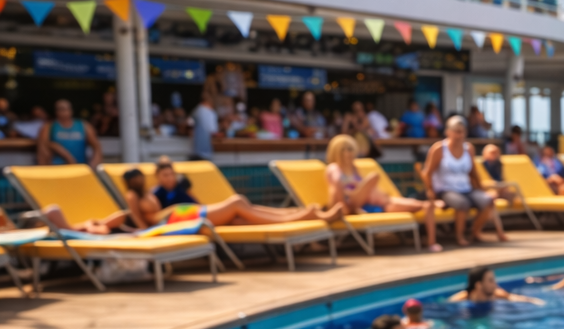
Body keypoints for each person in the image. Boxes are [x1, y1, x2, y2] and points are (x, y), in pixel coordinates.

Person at [131, 156, 340, 228]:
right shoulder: (151, 194)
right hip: (182, 219)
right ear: (157, 176)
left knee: (242, 217)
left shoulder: (178, 188)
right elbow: (145, 219)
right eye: (165, 175)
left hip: (191, 213)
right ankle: (299, 216)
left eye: (172, 174)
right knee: (238, 202)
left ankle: (297, 214)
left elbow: (194, 202)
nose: (170, 178)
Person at [324, 135, 441, 251]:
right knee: (373, 178)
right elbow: (336, 186)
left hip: (377, 204)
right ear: (337, 152)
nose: (349, 153)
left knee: (425, 205)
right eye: (345, 149)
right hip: (352, 205)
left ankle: (431, 240)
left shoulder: (354, 168)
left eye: (351, 149)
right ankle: (432, 236)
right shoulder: (334, 168)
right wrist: (348, 197)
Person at [424, 115, 499, 245]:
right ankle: (459, 237)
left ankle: (475, 232)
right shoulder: (439, 149)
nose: (460, 135)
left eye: (462, 131)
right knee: (462, 203)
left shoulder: (468, 148)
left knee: (487, 200)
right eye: (457, 132)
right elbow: (427, 172)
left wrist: (481, 188)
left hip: (466, 188)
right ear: (448, 132)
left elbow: (473, 172)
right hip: (446, 190)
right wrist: (430, 191)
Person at [37, 99, 101, 167]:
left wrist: (93, 165)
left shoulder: (83, 126)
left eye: (67, 108)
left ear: (71, 110)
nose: (64, 111)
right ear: (56, 111)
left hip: (80, 168)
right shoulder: (49, 127)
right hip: (57, 168)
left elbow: (96, 147)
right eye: (61, 109)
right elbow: (42, 149)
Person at [449, 265, 546, 304]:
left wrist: (534, 301)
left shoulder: (497, 294)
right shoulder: (463, 298)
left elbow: (513, 297)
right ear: (479, 285)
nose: (495, 284)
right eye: (490, 281)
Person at [190, 91, 221, 159]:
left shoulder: (196, 110)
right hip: (205, 153)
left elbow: (188, 126)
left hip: (194, 152)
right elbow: (214, 132)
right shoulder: (210, 113)